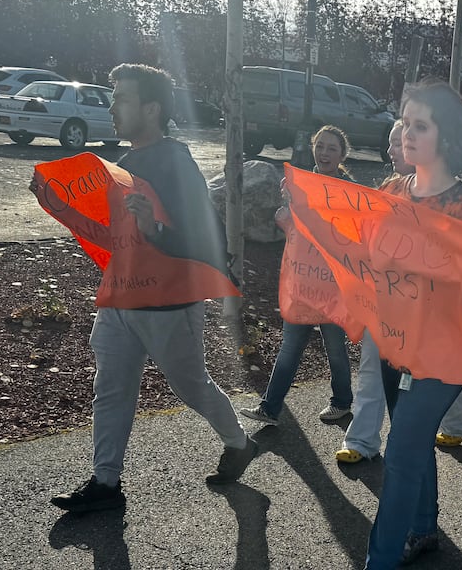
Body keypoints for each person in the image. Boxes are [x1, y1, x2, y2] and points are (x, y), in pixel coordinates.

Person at [46, 64, 257, 513]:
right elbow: (110, 235)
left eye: (122, 98)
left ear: (152, 108)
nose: (112, 107)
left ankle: (238, 442)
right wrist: (61, 204)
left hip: (167, 302)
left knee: (191, 385)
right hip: (120, 297)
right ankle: (105, 484)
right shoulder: (121, 165)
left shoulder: (175, 162)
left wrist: (157, 226)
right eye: (113, 97)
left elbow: (207, 237)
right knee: (112, 388)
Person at [365, 80, 462, 568]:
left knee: (400, 452)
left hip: (443, 355)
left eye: (419, 125)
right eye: (405, 121)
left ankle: (378, 561)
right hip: (394, 342)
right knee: (412, 438)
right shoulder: (389, 192)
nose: (407, 132)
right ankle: (423, 530)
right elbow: (361, 253)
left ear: (444, 137)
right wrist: (306, 216)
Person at [240, 126, 355, 426]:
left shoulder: (350, 191)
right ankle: (270, 407)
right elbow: (291, 225)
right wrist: (287, 205)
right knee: (290, 346)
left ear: (342, 154)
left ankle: (342, 402)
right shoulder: (299, 184)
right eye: (321, 146)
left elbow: (353, 234)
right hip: (303, 280)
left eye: (332, 148)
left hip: (332, 285)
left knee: (335, 349)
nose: (325, 152)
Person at [334, 121, 415, 465]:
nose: (391, 150)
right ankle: (362, 440)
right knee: (371, 368)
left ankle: (457, 421)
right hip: (381, 298)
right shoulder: (388, 187)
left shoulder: (442, 196)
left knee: (417, 378)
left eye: (397, 144)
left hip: (416, 307)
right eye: (390, 143)